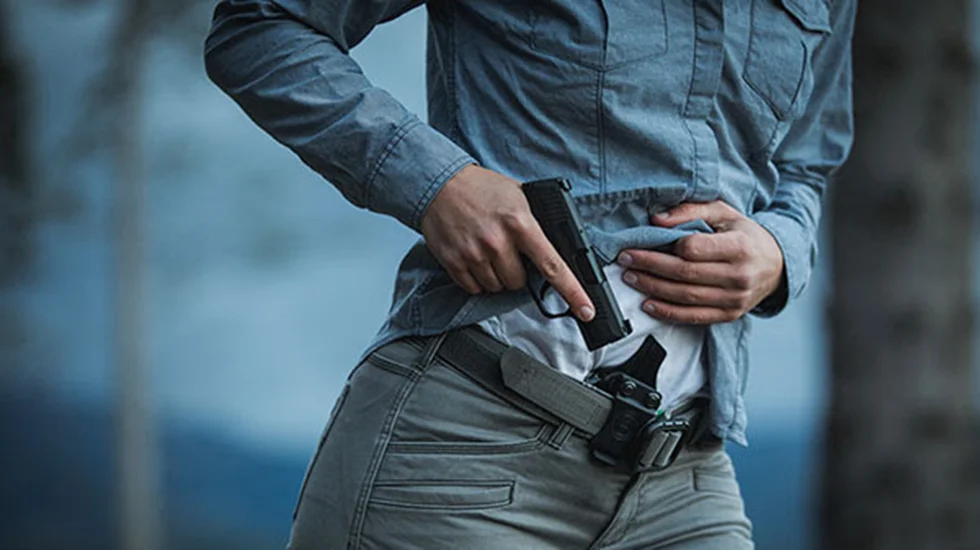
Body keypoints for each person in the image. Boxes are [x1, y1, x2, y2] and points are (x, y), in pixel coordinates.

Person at [204, 1, 855, 548]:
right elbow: (263, 25)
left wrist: (779, 250)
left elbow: (805, 160)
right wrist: (436, 185)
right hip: (461, 457)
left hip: (682, 474)